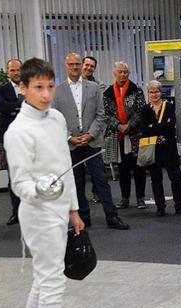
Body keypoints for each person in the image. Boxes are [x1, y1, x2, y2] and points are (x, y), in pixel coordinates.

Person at [3, 57, 107, 308]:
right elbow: (19, 185)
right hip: (38, 215)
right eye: (38, 88)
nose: (46, 94)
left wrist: (74, 210)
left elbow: (66, 167)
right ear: (23, 89)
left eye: (49, 87)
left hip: (60, 211)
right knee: (51, 288)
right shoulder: (18, 131)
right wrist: (42, 189)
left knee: (41, 284)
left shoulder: (57, 119)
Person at [52, 52, 129, 230]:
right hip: (71, 144)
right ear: (65, 66)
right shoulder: (57, 91)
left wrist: (90, 134)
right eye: (71, 64)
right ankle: (84, 217)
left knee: (101, 180)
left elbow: (101, 115)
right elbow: (55, 119)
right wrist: (70, 137)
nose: (75, 67)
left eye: (77, 64)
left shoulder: (94, 88)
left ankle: (112, 216)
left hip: (92, 142)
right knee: (77, 182)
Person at [140, 80, 181, 216]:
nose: (154, 94)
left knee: (176, 177)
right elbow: (144, 129)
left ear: (161, 92)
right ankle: (160, 207)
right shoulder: (145, 110)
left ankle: (179, 205)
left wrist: (154, 126)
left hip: (169, 148)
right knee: (156, 179)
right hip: (153, 149)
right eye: (151, 92)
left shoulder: (169, 107)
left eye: (157, 91)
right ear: (148, 93)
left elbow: (171, 125)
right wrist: (160, 126)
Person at [102, 61, 148, 210]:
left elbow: (141, 111)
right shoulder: (108, 93)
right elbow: (106, 114)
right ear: (114, 73)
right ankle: (124, 198)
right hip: (118, 136)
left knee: (138, 167)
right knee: (123, 169)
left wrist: (129, 126)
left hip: (135, 134)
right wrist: (118, 125)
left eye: (125, 72)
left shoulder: (137, 90)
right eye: (120, 72)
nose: (123, 74)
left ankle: (140, 198)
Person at [0, 58, 24, 226]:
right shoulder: (1, 89)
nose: (16, 73)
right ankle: (16, 211)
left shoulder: (30, 86)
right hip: (10, 137)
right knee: (14, 176)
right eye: (12, 70)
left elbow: (37, 105)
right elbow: (1, 106)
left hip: (30, 137)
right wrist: (20, 104)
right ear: (7, 72)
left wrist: (13, 108)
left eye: (18, 70)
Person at [81, 56, 106, 204]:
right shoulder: (71, 85)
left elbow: (98, 109)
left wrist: (90, 133)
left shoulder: (99, 85)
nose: (89, 68)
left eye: (92, 66)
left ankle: (97, 192)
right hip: (76, 135)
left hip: (93, 133)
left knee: (98, 170)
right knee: (78, 172)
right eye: (87, 65)